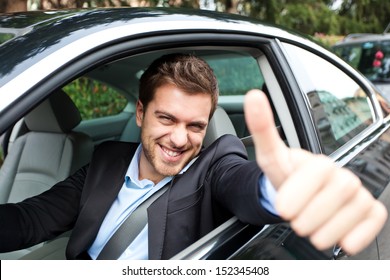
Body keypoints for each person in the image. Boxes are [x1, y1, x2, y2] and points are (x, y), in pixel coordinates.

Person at [0, 53, 387, 260]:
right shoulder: (107, 161)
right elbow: (31, 219)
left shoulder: (215, 165)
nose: (179, 139)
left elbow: (241, 183)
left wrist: (281, 188)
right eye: (166, 118)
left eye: (196, 126)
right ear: (140, 113)